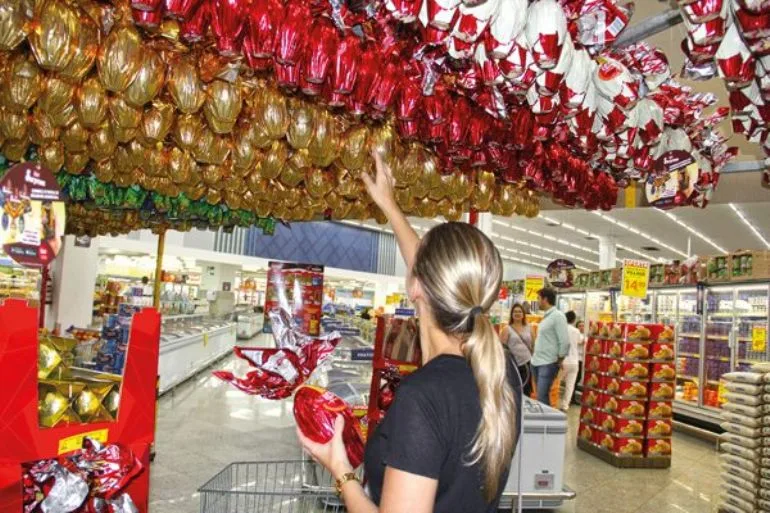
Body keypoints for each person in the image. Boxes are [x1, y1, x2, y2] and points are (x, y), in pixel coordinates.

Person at [298, 152, 522, 513]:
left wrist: (339, 469)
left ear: (416, 287)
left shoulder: (424, 398)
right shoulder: (501, 374)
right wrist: (389, 205)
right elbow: (427, 266)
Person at [530, 288, 570, 406]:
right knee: (540, 395)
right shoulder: (547, 317)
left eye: (538, 298)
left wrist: (560, 358)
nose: (537, 301)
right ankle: (543, 421)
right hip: (537, 362)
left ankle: (545, 422)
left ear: (545, 299)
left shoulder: (558, 316)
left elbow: (564, 341)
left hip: (547, 363)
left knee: (542, 396)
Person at [503, 303, 533, 398]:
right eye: (515, 312)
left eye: (520, 311)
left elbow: (533, 345)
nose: (517, 313)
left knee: (526, 389)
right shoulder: (507, 329)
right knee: (513, 389)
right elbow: (502, 348)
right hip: (512, 365)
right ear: (511, 314)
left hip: (527, 363)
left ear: (523, 314)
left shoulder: (529, 328)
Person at [561, 311, 582, 412]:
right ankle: (565, 406)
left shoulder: (561, 329)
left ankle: (551, 403)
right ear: (574, 320)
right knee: (570, 385)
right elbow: (581, 341)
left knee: (555, 384)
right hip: (574, 361)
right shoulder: (576, 331)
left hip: (562, 361)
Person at [575, 319, 586, 398]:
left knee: (578, 377)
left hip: (583, 358)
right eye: (580, 326)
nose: (582, 327)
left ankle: (572, 396)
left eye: (583, 326)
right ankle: (572, 397)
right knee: (577, 377)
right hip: (577, 358)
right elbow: (579, 343)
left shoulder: (585, 335)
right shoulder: (576, 334)